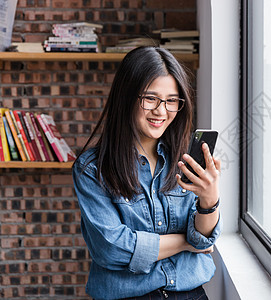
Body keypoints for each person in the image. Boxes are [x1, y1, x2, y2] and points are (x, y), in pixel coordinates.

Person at [72, 46, 222, 300]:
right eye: (150, 98)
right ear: (127, 97)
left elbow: (205, 237)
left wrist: (209, 200)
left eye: (171, 100)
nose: (161, 111)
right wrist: (186, 242)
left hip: (191, 294)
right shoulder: (92, 169)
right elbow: (112, 249)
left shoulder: (186, 159)